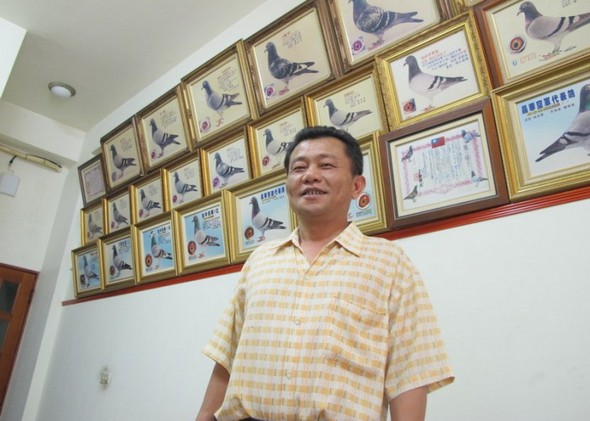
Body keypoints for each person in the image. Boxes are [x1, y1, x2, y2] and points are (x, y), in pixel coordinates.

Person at [196, 126, 453, 421]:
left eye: (326, 165)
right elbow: (227, 356)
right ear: (288, 184)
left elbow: (410, 371)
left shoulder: (389, 262)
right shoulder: (260, 260)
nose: (310, 175)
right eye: (299, 168)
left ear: (357, 186)